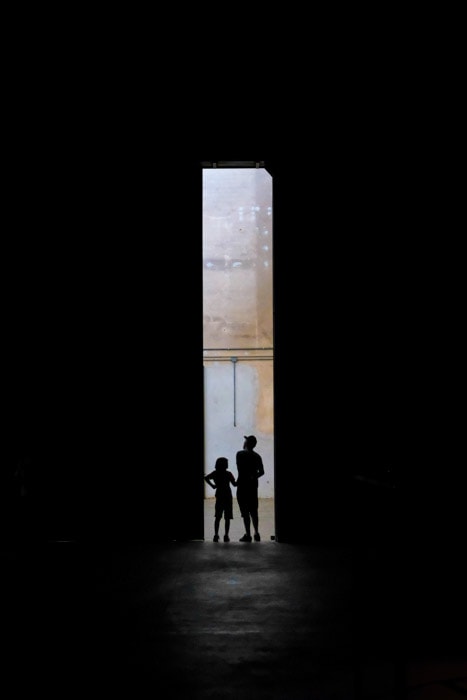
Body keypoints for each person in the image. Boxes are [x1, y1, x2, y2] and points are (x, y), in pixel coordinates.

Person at [236, 435, 265, 542]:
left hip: (242, 486)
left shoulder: (240, 454)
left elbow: (241, 469)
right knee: (254, 511)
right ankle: (256, 533)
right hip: (253, 486)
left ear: (246, 443)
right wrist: (253, 476)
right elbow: (262, 472)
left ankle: (248, 535)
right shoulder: (257, 456)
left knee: (245, 512)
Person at [204, 457, 237, 542]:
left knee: (218, 517)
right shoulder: (229, 474)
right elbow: (234, 484)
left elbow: (206, 478)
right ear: (225, 465)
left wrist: (213, 486)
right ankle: (226, 535)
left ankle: (216, 535)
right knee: (227, 517)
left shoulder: (215, 473)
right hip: (228, 496)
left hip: (219, 495)